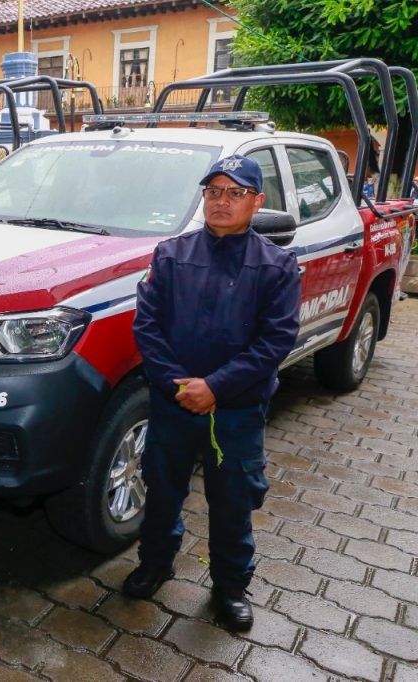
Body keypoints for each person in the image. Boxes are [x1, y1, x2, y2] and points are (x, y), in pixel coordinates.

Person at [125, 155, 301, 632]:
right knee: (162, 491)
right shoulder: (170, 255)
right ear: (204, 198)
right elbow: (148, 327)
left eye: (236, 192)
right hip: (173, 402)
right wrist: (179, 385)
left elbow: (275, 341)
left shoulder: (276, 266)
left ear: (257, 201)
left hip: (235, 410)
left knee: (233, 500)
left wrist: (215, 387)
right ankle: (155, 563)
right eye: (214, 192)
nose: (223, 201)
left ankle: (230, 586)